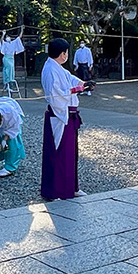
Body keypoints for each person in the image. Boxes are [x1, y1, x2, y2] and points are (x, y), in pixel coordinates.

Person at [40, 38, 95, 200]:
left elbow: (70, 78)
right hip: (60, 116)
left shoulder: (57, 68)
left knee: (70, 154)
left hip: (68, 115)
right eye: (66, 53)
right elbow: (56, 95)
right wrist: (76, 89)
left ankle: (70, 188)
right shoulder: (50, 69)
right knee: (59, 154)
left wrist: (84, 84)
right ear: (63, 54)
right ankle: (56, 191)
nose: (67, 56)